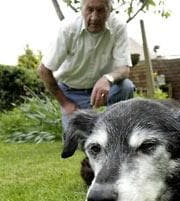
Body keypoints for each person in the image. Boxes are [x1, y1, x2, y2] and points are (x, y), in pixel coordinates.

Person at [38, 0, 135, 130]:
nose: (94, 17)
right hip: (71, 93)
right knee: (76, 142)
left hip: (104, 92)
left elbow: (124, 69)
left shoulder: (118, 27)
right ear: (82, 9)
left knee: (125, 87)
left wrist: (107, 78)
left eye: (101, 10)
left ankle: (117, 128)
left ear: (109, 11)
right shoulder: (68, 28)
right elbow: (44, 70)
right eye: (90, 10)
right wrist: (66, 104)